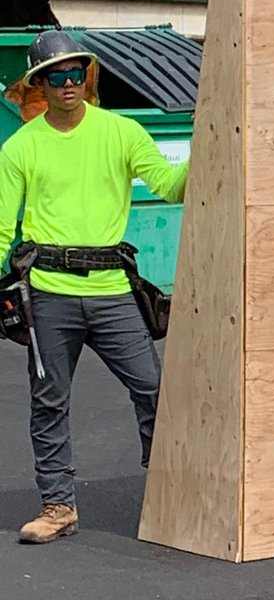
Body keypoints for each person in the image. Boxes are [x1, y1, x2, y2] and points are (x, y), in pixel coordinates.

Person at [0, 30, 189, 544]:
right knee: (50, 400)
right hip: (48, 294)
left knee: (153, 389)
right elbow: (1, 227)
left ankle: (170, 495)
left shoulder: (121, 133)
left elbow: (172, 186)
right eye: (55, 75)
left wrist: (211, 145)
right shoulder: (21, 147)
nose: (67, 83)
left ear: (88, 76)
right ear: (39, 82)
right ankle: (58, 507)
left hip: (112, 291)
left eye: (75, 72)